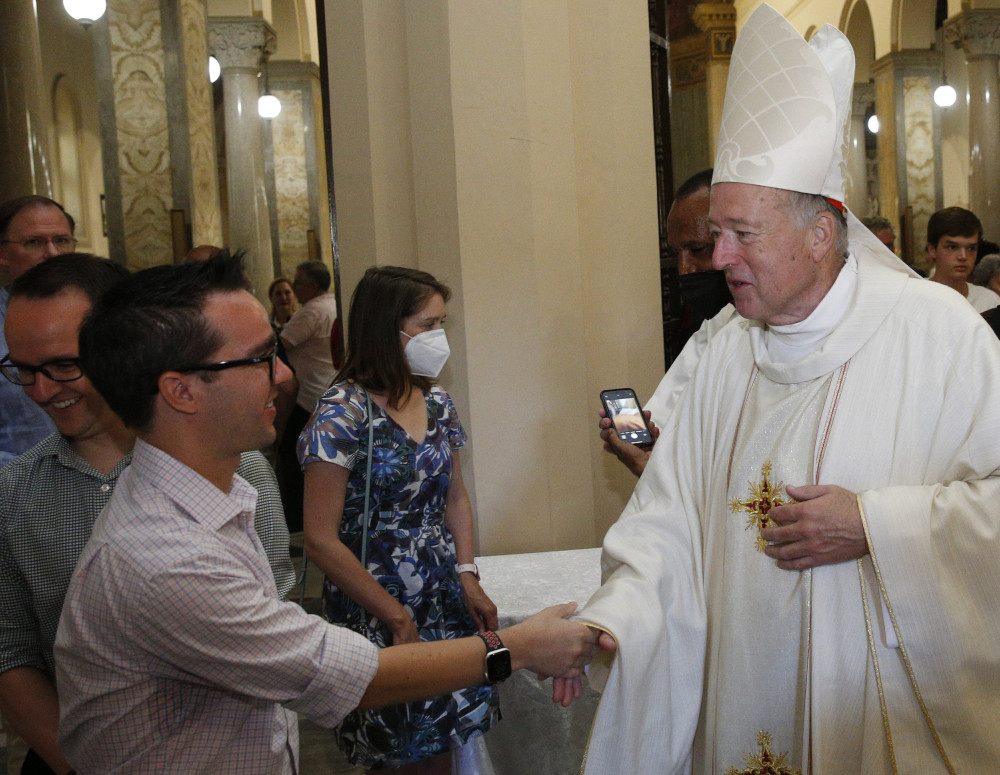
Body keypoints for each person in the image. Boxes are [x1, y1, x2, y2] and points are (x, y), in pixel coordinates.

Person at [571, 6, 1000, 773]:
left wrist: (877, 524)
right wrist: (620, 619)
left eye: (741, 234)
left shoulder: (941, 334)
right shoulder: (724, 354)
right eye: (713, 236)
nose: (716, 256)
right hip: (738, 689)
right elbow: (667, 523)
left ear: (819, 234)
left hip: (873, 707)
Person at [54, 253, 604, 774]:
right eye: (260, 359)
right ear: (180, 391)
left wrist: (467, 577)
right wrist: (522, 645)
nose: (285, 376)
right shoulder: (168, 558)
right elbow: (347, 674)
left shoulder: (229, 495)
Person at [0, 254, 294, 775]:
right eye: (23, 370)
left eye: (65, 366)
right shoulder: (15, 491)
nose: (43, 391)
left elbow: (278, 624)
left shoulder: (241, 469)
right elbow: (9, 649)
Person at [297, 266, 497, 773]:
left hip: (439, 595)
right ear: (389, 328)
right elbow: (320, 540)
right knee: (397, 749)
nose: (438, 337)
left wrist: (467, 575)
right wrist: (392, 612)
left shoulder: (436, 401)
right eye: (428, 325)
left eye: (440, 323)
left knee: (444, 743)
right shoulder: (341, 414)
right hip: (375, 599)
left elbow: (454, 498)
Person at [598, 169, 737, 477]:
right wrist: (651, 447)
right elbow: (669, 418)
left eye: (697, 250)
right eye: (677, 253)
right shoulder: (716, 324)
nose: (684, 269)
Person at [0, 196, 78, 464]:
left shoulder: (105, 314)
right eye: (34, 243)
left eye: (61, 241)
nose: (52, 254)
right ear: (3, 253)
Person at [277, 260, 339, 531]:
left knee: (293, 462)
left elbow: (280, 347)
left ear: (312, 286)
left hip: (305, 397)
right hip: (326, 392)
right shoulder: (334, 304)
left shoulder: (311, 312)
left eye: (298, 282)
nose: (294, 286)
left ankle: (297, 523)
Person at [926, 206, 1000, 312]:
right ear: (932, 250)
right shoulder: (916, 297)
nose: (963, 256)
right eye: (952, 247)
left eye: (971, 248)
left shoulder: (989, 302)